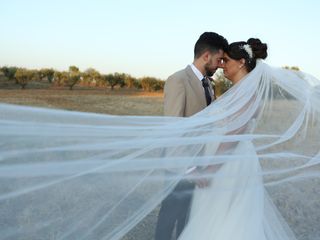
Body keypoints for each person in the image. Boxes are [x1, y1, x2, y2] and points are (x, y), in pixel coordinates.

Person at [0, 39, 320, 240]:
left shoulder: (242, 91)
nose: (221, 66)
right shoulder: (208, 85)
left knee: (226, 217)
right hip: (203, 161)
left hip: (227, 162)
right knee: (194, 211)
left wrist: (209, 166)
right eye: (218, 60)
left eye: (226, 61)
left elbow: (233, 134)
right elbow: (176, 124)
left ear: (241, 62)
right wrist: (192, 164)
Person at [155, 31, 228, 240]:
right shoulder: (178, 80)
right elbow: (173, 129)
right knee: (170, 217)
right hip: (179, 164)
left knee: (188, 218)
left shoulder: (209, 84)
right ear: (206, 56)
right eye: (218, 60)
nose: (220, 65)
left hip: (200, 162)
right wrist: (188, 168)